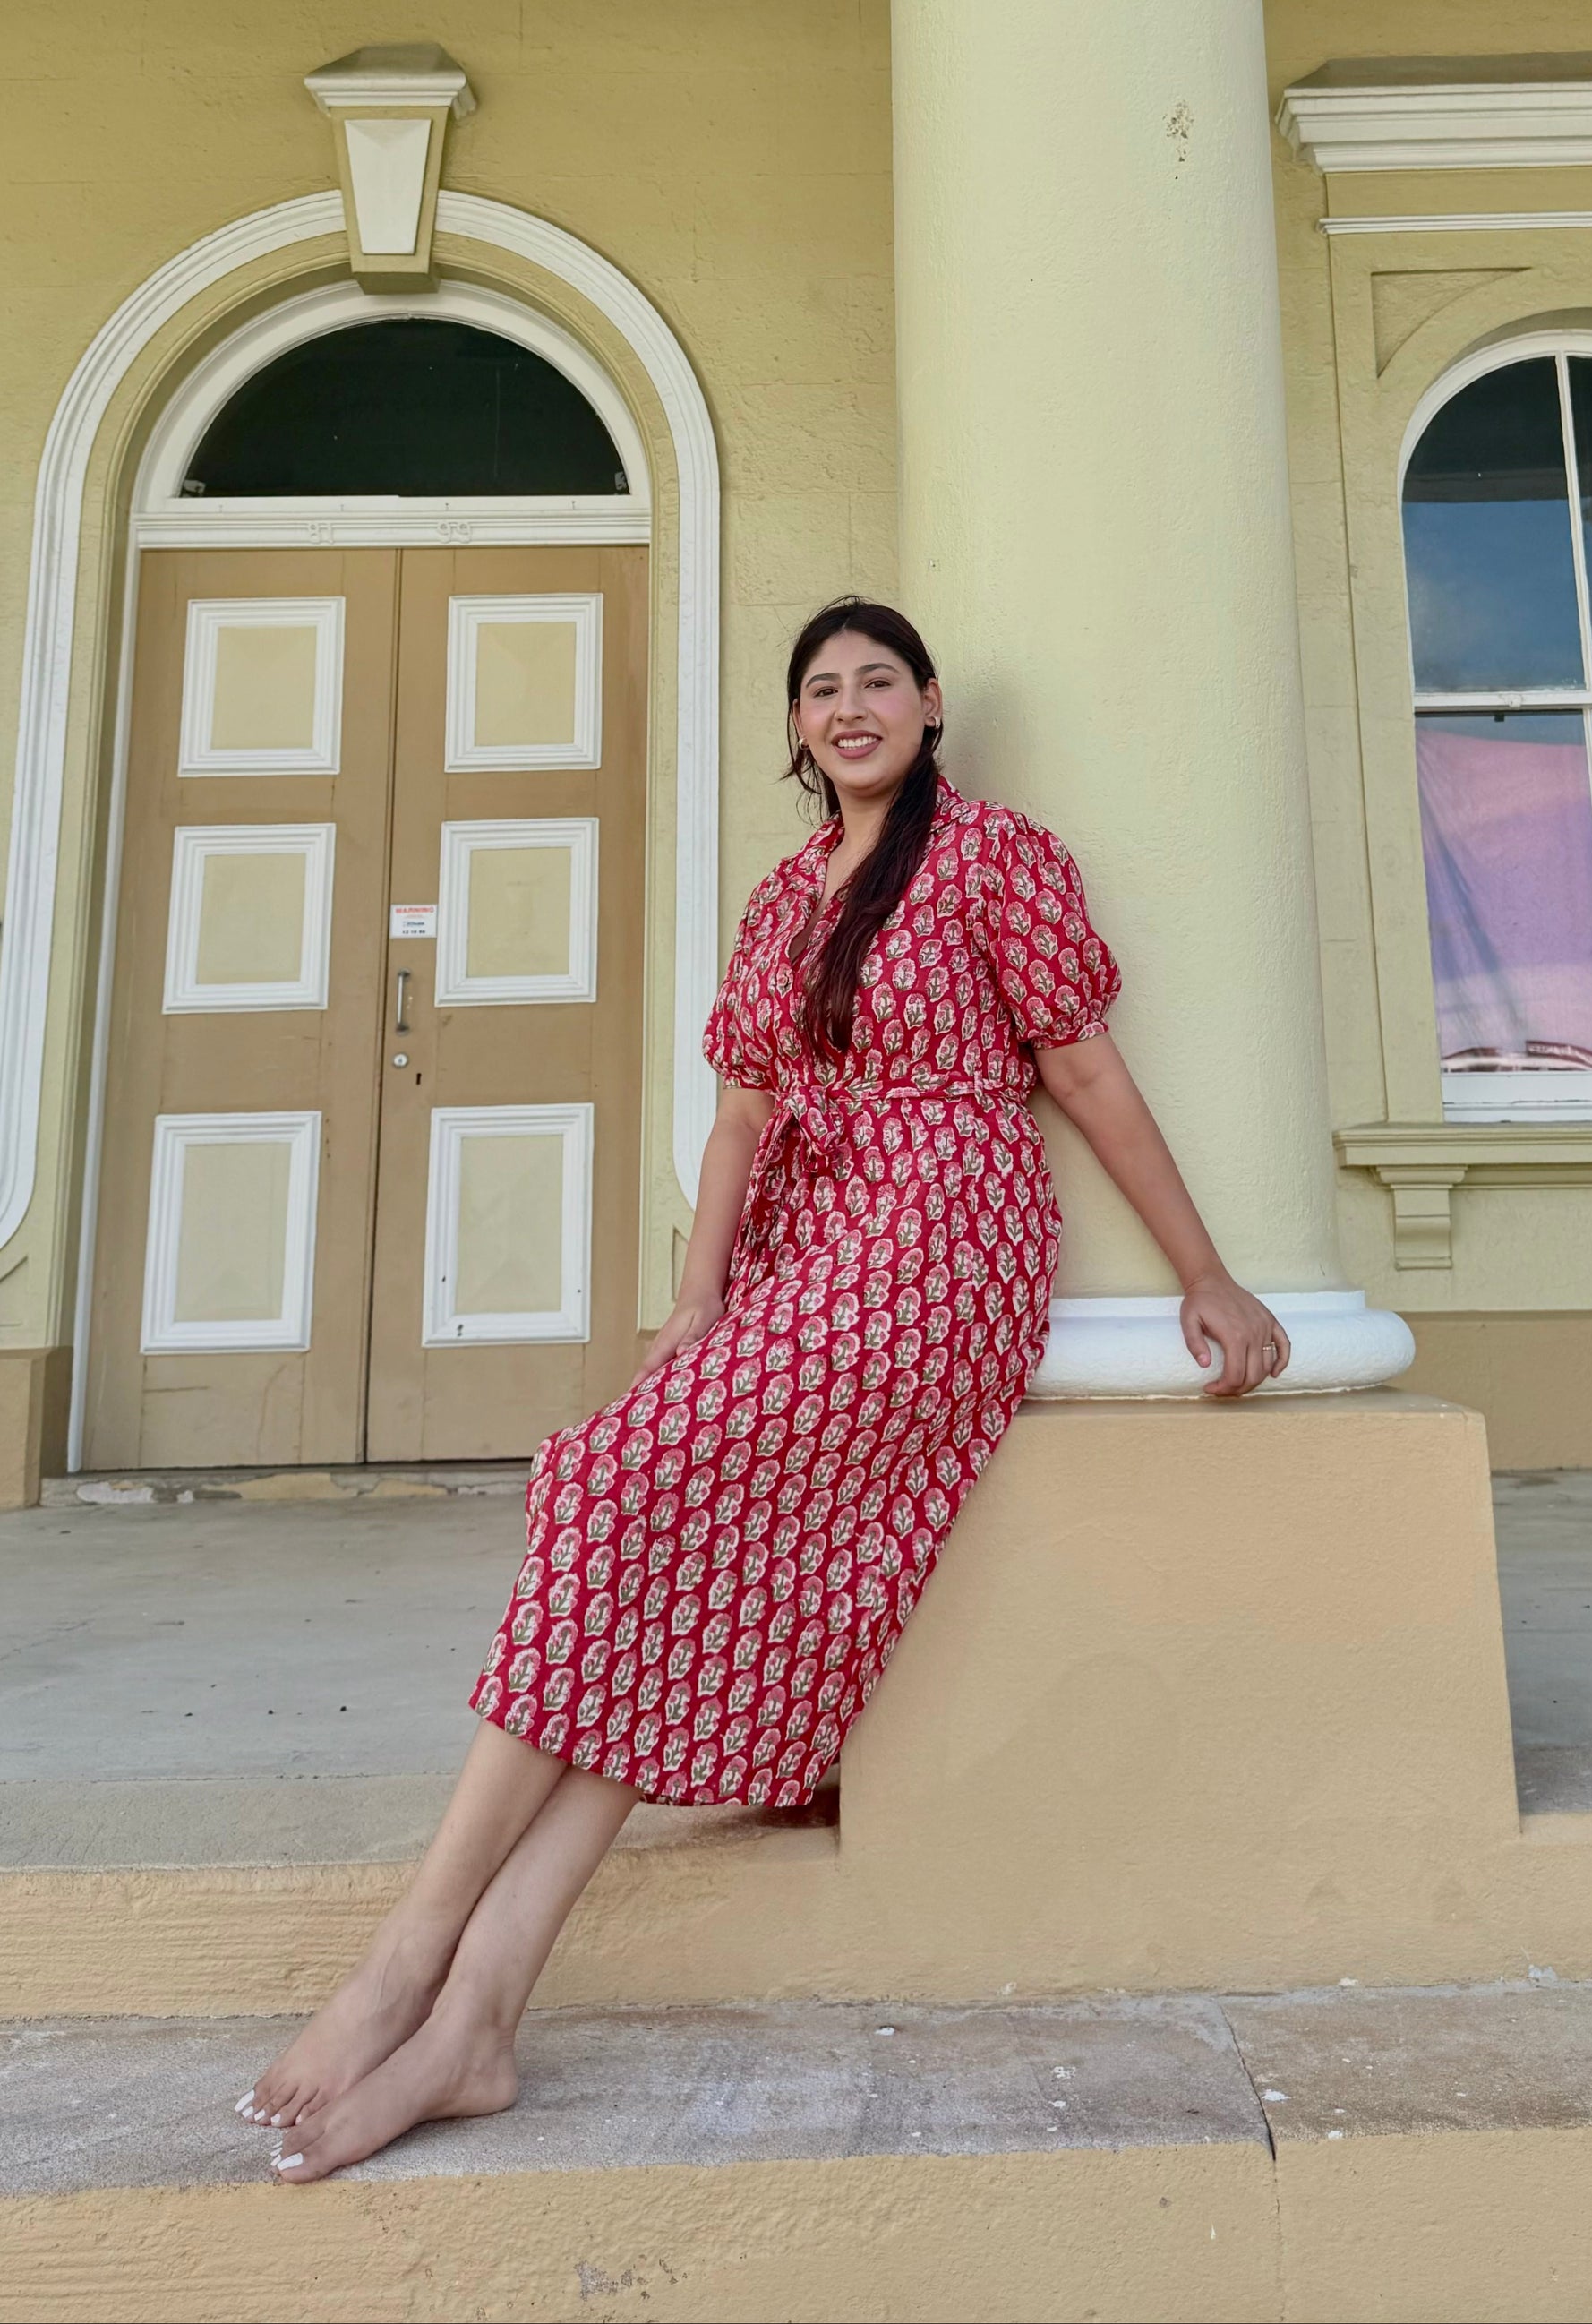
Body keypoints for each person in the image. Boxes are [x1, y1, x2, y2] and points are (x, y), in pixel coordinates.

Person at [240, 596, 1288, 2182]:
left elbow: (1081, 1069)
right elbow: (739, 1117)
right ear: (797, 726)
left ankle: (406, 1964)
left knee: (610, 1481)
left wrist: (1204, 1271)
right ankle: (473, 2021)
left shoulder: (994, 857)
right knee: (662, 1558)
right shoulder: (784, 895)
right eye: (821, 688)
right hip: (810, 1253)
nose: (850, 705)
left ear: (929, 705)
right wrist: (696, 1301)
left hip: (943, 1240)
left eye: (878, 680)